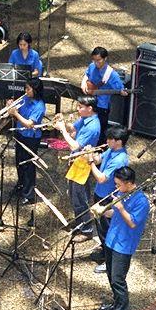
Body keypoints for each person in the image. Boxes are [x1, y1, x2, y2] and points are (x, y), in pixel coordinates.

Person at [91, 167, 150, 310]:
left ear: (129, 183)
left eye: (118, 184)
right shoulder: (122, 193)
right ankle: (116, 303)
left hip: (124, 245)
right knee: (111, 275)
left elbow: (132, 222)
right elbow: (115, 214)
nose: (116, 187)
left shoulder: (142, 201)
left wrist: (121, 207)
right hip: (111, 239)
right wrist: (103, 211)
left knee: (118, 279)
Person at [53, 96, 101, 243]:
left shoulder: (93, 126)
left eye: (81, 107)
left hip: (83, 164)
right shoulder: (85, 118)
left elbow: (74, 146)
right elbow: (73, 128)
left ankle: (86, 230)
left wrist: (62, 130)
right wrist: (63, 122)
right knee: (75, 195)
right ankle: (80, 221)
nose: (77, 109)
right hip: (77, 162)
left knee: (80, 197)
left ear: (90, 108)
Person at [89, 126, 130, 272]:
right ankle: (104, 251)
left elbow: (101, 178)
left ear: (118, 141)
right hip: (100, 194)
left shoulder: (119, 159)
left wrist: (90, 162)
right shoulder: (112, 150)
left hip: (108, 197)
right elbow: (99, 159)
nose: (107, 141)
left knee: (107, 230)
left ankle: (109, 262)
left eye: (110, 139)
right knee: (101, 228)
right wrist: (91, 154)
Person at [7, 77, 46, 205]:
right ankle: (21, 186)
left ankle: (29, 195)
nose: (26, 91)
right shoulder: (25, 99)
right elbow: (17, 112)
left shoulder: (39, 106)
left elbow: (29, 124)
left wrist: (16, 114)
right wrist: (11, 107)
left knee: (28, 165)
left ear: (35, 89)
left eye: (28, 89)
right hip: (20, 134)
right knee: (19, 162)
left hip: (31, 138)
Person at [80, 47, 127, 146]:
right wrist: (84, 82)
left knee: (100, 132)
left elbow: (121, 90)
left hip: (102, 106)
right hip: (89, 102)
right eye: (94, 60)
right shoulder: (92, 66)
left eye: (99, 60)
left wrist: (123, 92)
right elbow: (86, 74)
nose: (96, 63)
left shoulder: (112, 74)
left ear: (105, 58)